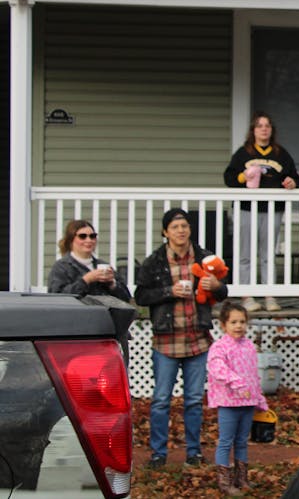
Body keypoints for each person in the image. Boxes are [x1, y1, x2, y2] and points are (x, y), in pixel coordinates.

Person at [135, 208, 229, 469]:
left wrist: (217, 287)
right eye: (175, 227)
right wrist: (169, 290)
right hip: (165, 341)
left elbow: (223, 291)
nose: (181, 231)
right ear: (165, 232)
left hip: (197, 339)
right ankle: (157, 454)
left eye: (184, 226)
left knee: (193, 400)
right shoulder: (155, 261)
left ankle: (194, 452)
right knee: (161, 400)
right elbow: (141, 296)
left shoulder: (204, 257)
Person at [222, 110, 299, 312]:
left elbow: (294, 176)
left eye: (267, 126)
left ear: (271, 130)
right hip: (247, 208)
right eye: (260, 126)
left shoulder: (280, 154)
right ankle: (247, 295)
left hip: (272, 209)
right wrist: (244, 177)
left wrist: (292, 182)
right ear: (253, 131)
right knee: (245, 253)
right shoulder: (244, 153)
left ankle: (269, 294)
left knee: (268, 253)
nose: (264, 129)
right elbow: (229, 178)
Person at [206, 302, 267, 495]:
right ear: (223, 325)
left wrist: (259, 397)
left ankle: (242, 478)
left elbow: (253, 375)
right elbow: (217, 369)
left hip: (247, 402)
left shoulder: (249, 345)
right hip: (228, 402)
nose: (239, 326)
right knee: (226, 441)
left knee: (242, 441)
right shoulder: (219, 347)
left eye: (242, 321)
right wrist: (237, 383)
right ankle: (224, 482)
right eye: (233, 322)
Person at [48, 219, 130, 300]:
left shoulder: (102, 265)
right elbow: (57, 297)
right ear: (71, 240)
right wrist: (86, 280)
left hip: (104, 312)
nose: (89, 240)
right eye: (82, 236)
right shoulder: (61, 267)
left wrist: (112, 284)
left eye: (92, 236)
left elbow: (126, 298)